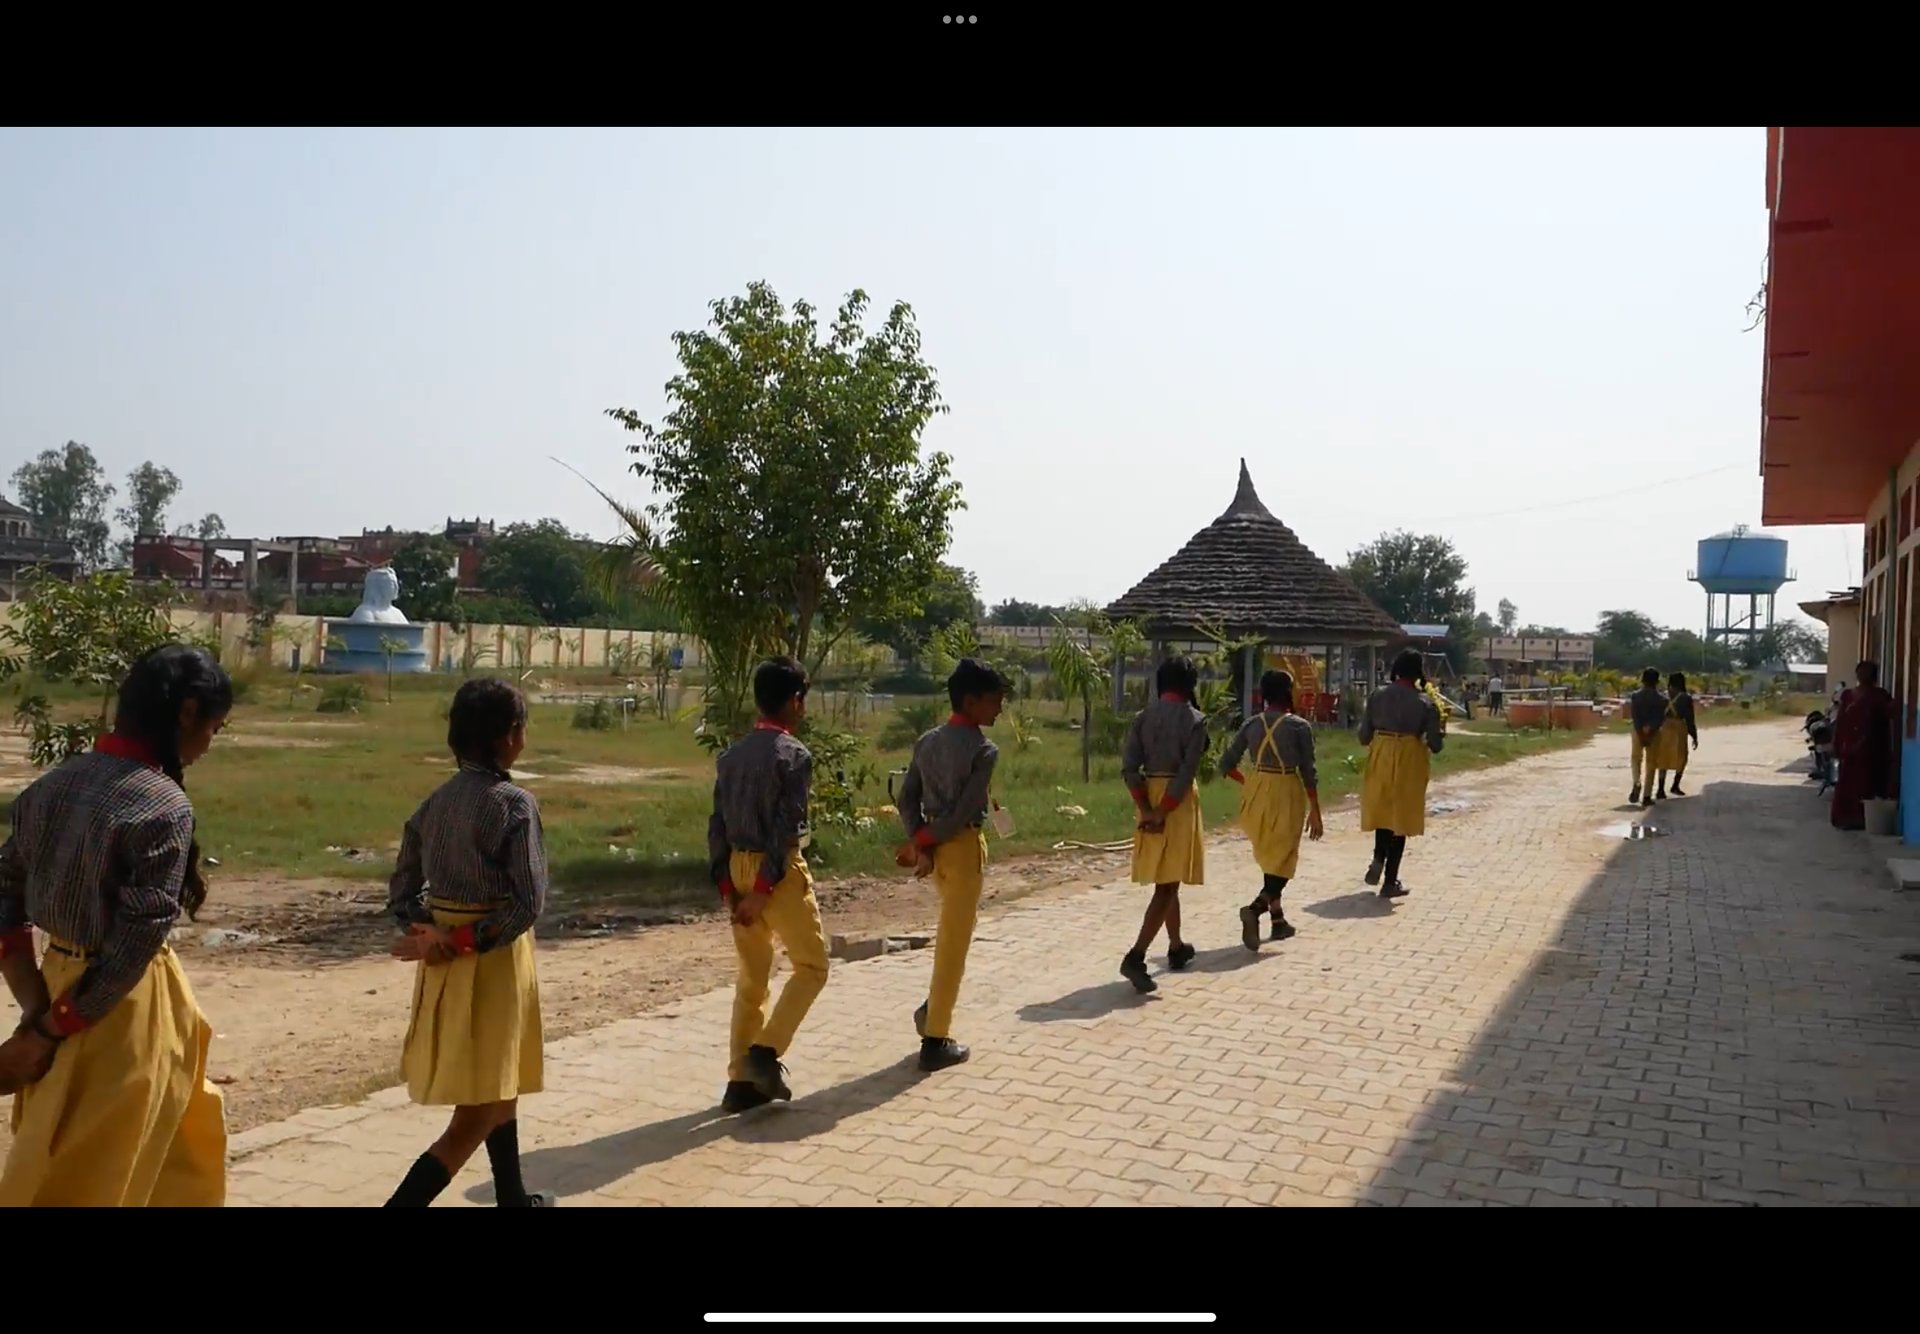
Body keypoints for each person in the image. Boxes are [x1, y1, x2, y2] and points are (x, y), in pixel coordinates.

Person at [0, 643, 233, 1207]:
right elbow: (134, 944)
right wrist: (52, 1027)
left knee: (65, 1155)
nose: (209, 743)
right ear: (187, 713)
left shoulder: (51, 786)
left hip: (58, 983)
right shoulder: (162, 804)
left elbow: (5, 900)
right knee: (117, 1170)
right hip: (124, 1011)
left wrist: (35, 1011)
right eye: (215, 728)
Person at [383, 678, 552, 1208]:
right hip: (491, 963)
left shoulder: (434, 804)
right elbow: (527, 903)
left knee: (499, 1078)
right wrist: (459, 939)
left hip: (446, 963)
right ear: (508, 738)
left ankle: (513, 1198)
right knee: (473, 1117)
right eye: (521, 728)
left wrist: (429, 934)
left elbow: (402, 891)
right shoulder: (513, 806)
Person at [708, 657, 830, 1113]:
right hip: (775, 875)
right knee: (812, 966)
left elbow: (716, 824)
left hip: (737, 868)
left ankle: (740, 1081)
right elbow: (786, 829)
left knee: (752, 978)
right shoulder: (795, 756)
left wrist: (728, 887)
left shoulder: (730, 756)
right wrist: (762, 888)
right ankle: (765, 1052)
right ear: (795, 701)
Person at [896, 657, 1008, 1072]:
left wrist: (920, 842)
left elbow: (907, 798)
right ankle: (936, 1039)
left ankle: (933, 1011)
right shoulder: (983, 750)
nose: (999, 709)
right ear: (972, 700)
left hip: (937, 854)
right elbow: (964, 811)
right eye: (994, 701)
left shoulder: (927, 741)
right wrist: (925, 841)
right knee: (953, 948)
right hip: (961, 848)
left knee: (949, 937)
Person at [1120, 656, 1209, 991]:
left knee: (1167, 876)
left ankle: (1176, 947)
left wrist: (1145, 808)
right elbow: (1187, 773)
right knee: (1168, 884)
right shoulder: (1195, 721)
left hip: (1148, 794)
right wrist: (1164, 810)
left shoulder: (1143, 718)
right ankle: (1136, 955)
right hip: (1178, 802)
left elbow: (1129, 767)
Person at [1221, 669, 1323, 950]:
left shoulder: (1250, 724)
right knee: (1285, 856)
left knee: (1270, 855)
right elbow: (1308, 771)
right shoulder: (1299, 727)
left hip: (1257, 791)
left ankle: (1278, 921)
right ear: (1288, 692)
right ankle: (1256, 908)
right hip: (1286, 789)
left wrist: (1249, 783)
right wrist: (1315, 808)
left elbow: (1225, 764)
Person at [1359, 649, 1444, 900]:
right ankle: (1390, 881)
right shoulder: (1425, 703)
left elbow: (1364, 735)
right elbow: (1436, 745)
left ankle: (1377, 857)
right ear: (1419, 671)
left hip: (1382, 752)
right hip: (1409, 757)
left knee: (1384, 809)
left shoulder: (1377, 695)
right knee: (1402, 817)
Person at [1831, 660, 1896, 831]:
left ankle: (1862, 819)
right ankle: (1846, 819)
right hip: (1849, 750)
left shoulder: (1880, 696)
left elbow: (1888, 715)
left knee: (1867, 785)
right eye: (1861, 672)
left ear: (1873, 676)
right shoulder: (1848, 696)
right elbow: (1841, 723)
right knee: (1847, 785)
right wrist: (1837, 745)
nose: (1863, 676)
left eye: (1867, 672)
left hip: (1871, 752)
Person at [1627, 667, 1667, 808]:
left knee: (1636, 758)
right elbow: (1659, 718)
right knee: (1651, 764)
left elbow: (1635, 716)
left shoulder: (1635, 696)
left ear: (1642, 680)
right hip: (1654, 733)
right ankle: (1647, 796)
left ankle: (1637, 782)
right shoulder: (1662, 699)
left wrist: (1640, 732)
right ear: (1657, 682)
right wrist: (1650, 729)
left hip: (1637, 731)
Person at [1658, 671, 1699, 797]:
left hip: (1664, 728)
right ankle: (1675, 785)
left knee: (1663, 758)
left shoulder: (1662, 696)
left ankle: (1660, 789)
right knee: (1682, 757)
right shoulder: (1685, 698)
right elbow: (1689, 718)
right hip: (1679, 728)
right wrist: (1694, 735)